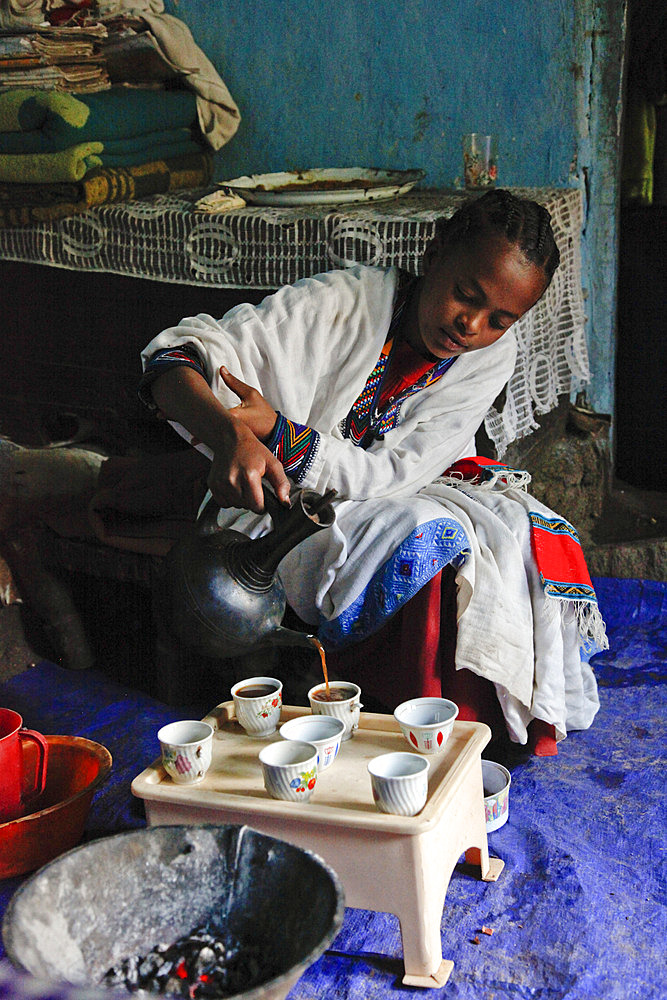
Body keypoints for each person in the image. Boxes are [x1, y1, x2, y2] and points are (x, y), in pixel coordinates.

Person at [138, 189, 605, 753]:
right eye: (465, 295)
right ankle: (386, 714)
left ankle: (462, 731)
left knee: (507, 536)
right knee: (424, 530)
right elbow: (173, 358)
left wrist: (282, 433)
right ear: (432, 256)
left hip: (393, 489)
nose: (470, 326)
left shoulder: (489, 355)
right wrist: (232, 434)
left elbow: (398, 474)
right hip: (276, 506)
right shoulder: (340, 304)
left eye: (498, 319)